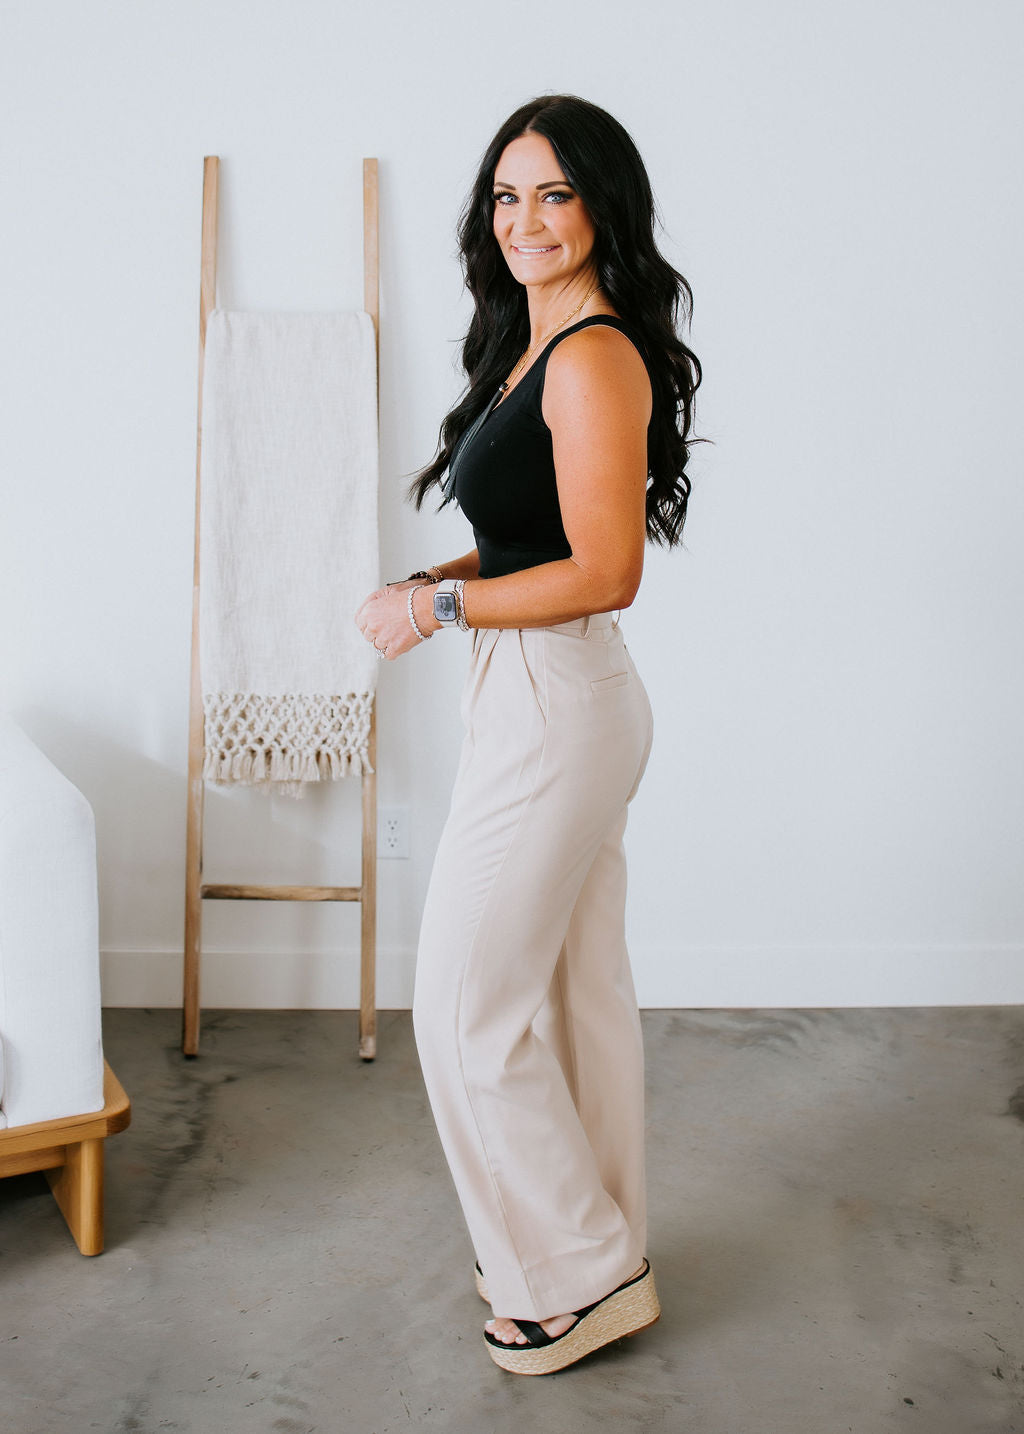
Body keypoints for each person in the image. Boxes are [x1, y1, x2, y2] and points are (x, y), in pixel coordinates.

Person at [355, 94, 700, 1375]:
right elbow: (528, 541)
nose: (525, 220)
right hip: (549, 693)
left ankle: (573, 1275)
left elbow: (607, 570)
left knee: (462, 1006)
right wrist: (436, 580)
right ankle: (604, 1252)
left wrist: (435, 608)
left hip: (558, 703)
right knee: (567, 997)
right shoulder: (532, 341)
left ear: (604, 206)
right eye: (507, 195)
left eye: (554, 193)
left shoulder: (594, 355)